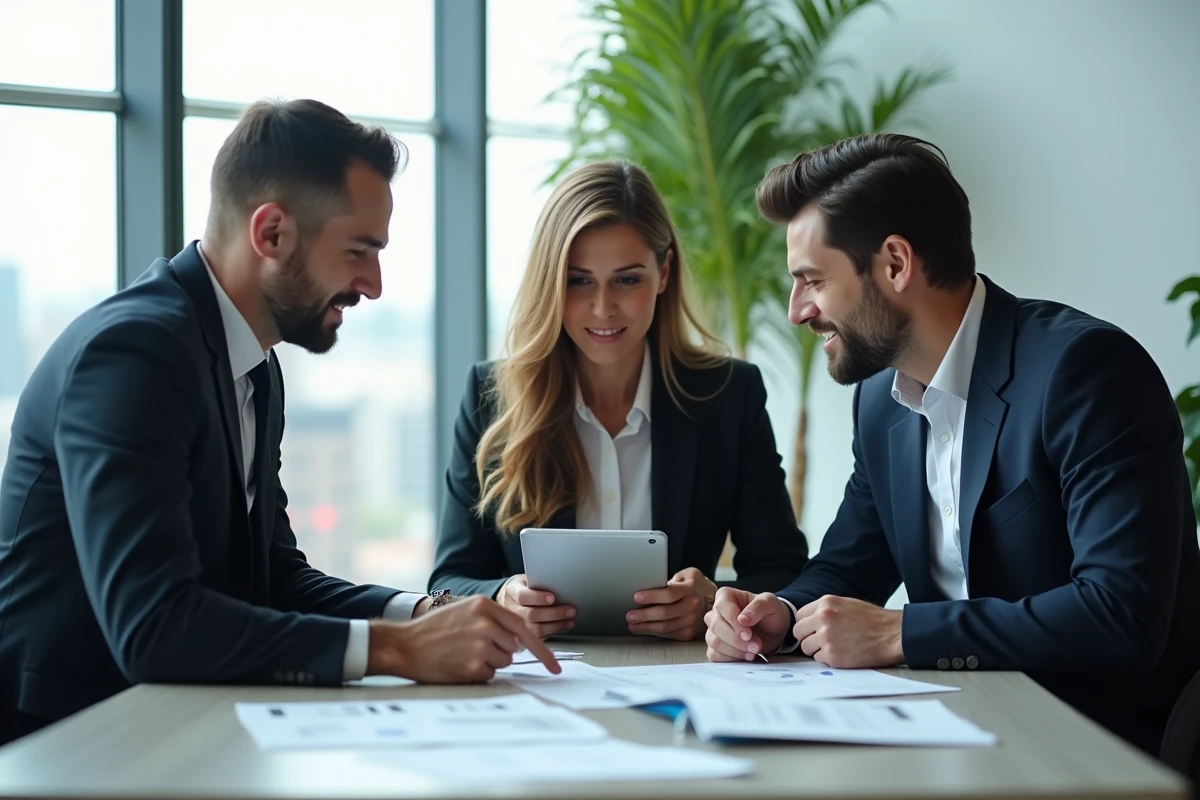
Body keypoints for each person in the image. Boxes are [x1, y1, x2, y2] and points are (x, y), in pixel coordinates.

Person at [0, 98, 557, 746]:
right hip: (65, 747)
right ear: (271, 234)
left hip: (176, 734)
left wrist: (427, 611)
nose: (374, 284)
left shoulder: (255, 368)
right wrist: (399, 649)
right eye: (359, 250)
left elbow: (275, 577)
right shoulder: (133, 356)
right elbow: (154, 627)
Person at [703, 133, 1200, 755]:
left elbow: (1120, 615)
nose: (796, 311)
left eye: (811, 281)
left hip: (1098, 746)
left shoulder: (1086, 372)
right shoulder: (880, 398)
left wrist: (902, 632)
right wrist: (773, 614)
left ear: (895, 264)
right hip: (955, 732)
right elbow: (851, 566)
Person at [429, 161, 809, 641]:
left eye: (627, 280)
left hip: (686, 676)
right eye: (578, 280)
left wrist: (714, 602)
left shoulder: (728, 396)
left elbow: (785, 573)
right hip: (540, 683)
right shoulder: (492, 398)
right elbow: (447, 583)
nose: (603, 307)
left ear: (664, 271)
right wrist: (502, 597)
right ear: (550, 282)